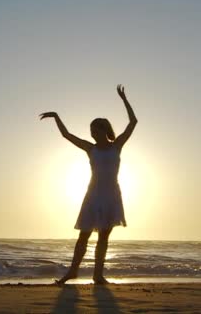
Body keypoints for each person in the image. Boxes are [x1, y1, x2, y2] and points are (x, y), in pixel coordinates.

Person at [39, 84, 138, 285]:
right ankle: (72, 272)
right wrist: (57, 116)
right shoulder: (89, 148)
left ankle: (97, 275)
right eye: (91, 130)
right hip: (93, 196)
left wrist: (124, 99)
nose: (92, 133)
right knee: (83, 236)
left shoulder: (116, 146)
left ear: (104, 130)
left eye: (95, 129)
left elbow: (133, 122)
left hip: (111, 195)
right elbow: (67, 135)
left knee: (103, 238)